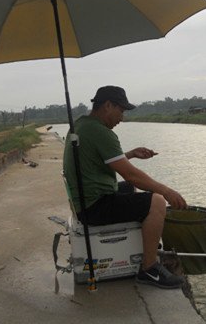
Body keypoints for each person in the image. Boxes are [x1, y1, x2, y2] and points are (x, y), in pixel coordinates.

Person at [63, 85, 187, 289]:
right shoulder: (101, 132)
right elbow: (131, 174)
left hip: (84, 202)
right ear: (108, 105)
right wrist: (167, 192)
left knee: (129, 189)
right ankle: (149, 268)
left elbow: (98, 160)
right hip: (94, 207)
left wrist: (129, 154)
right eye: (121, 111)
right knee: (156, 201)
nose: (122, 118)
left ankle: (147, 247)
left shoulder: (81, 125)